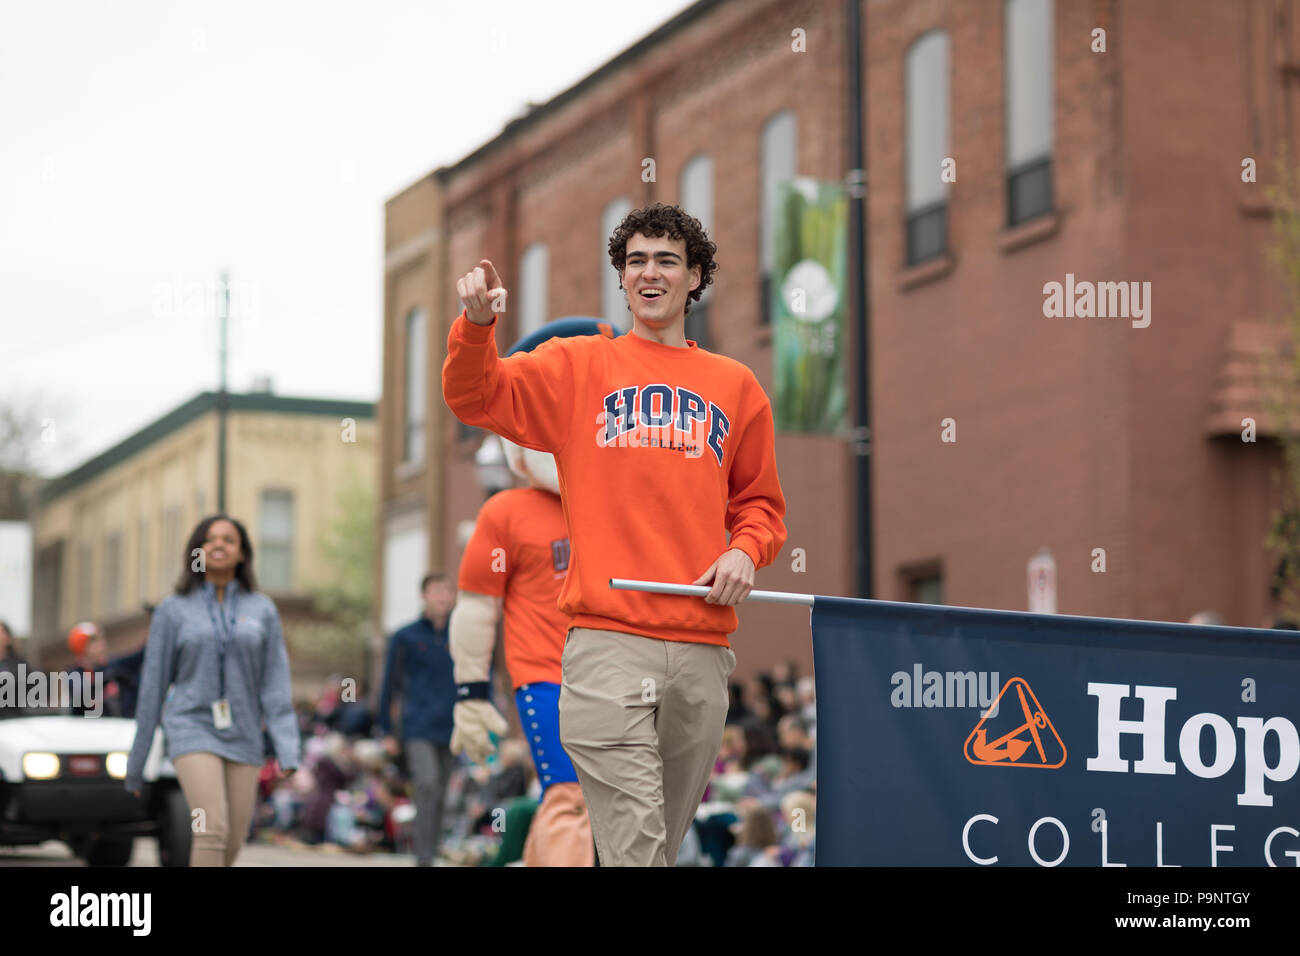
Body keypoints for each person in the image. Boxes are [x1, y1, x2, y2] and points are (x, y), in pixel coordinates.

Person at [443, 202, 788, 866]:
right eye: (635, 261)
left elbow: (761, 507)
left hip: (701, 650)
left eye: (666, 260)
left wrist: (745, 552)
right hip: (607, 646)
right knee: (638, 849)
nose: (649, 273)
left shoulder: (736, 387)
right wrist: (478, 324)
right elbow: (475, 396)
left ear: (695, 277)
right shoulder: (576, 367)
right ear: (622, 279)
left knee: (648, 842)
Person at [451, 320, 614, 868]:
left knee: (596, 802)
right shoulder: (505, 513)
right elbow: (477, 607)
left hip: (618, 674)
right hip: (545, 676)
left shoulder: (613, 507)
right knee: (569, 797)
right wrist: (471, 694)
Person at [125, 514, 300, 867]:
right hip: (191, 728)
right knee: (210, 828)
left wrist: (287, 747)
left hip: (245, 733)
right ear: (197, 552)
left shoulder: (262, 609)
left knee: (233, 839)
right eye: (210, 539)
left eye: (229, 540)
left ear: (242, 554)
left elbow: (275, 682)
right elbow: (153, 686)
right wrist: (137, 762)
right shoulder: (173, 611)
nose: (219, 545)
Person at [376, 573, 459, 866]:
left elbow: (479, 676)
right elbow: (390, 684)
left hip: (453, 727)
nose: (443, 597)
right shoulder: (406, 636)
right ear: (424, 596)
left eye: (448, 592)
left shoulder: (460, 634)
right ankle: (423, 857)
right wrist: (385, 728)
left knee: (441, 791)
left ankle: (431, 851)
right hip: (417, 727)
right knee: (426, 783)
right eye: (437, 591)